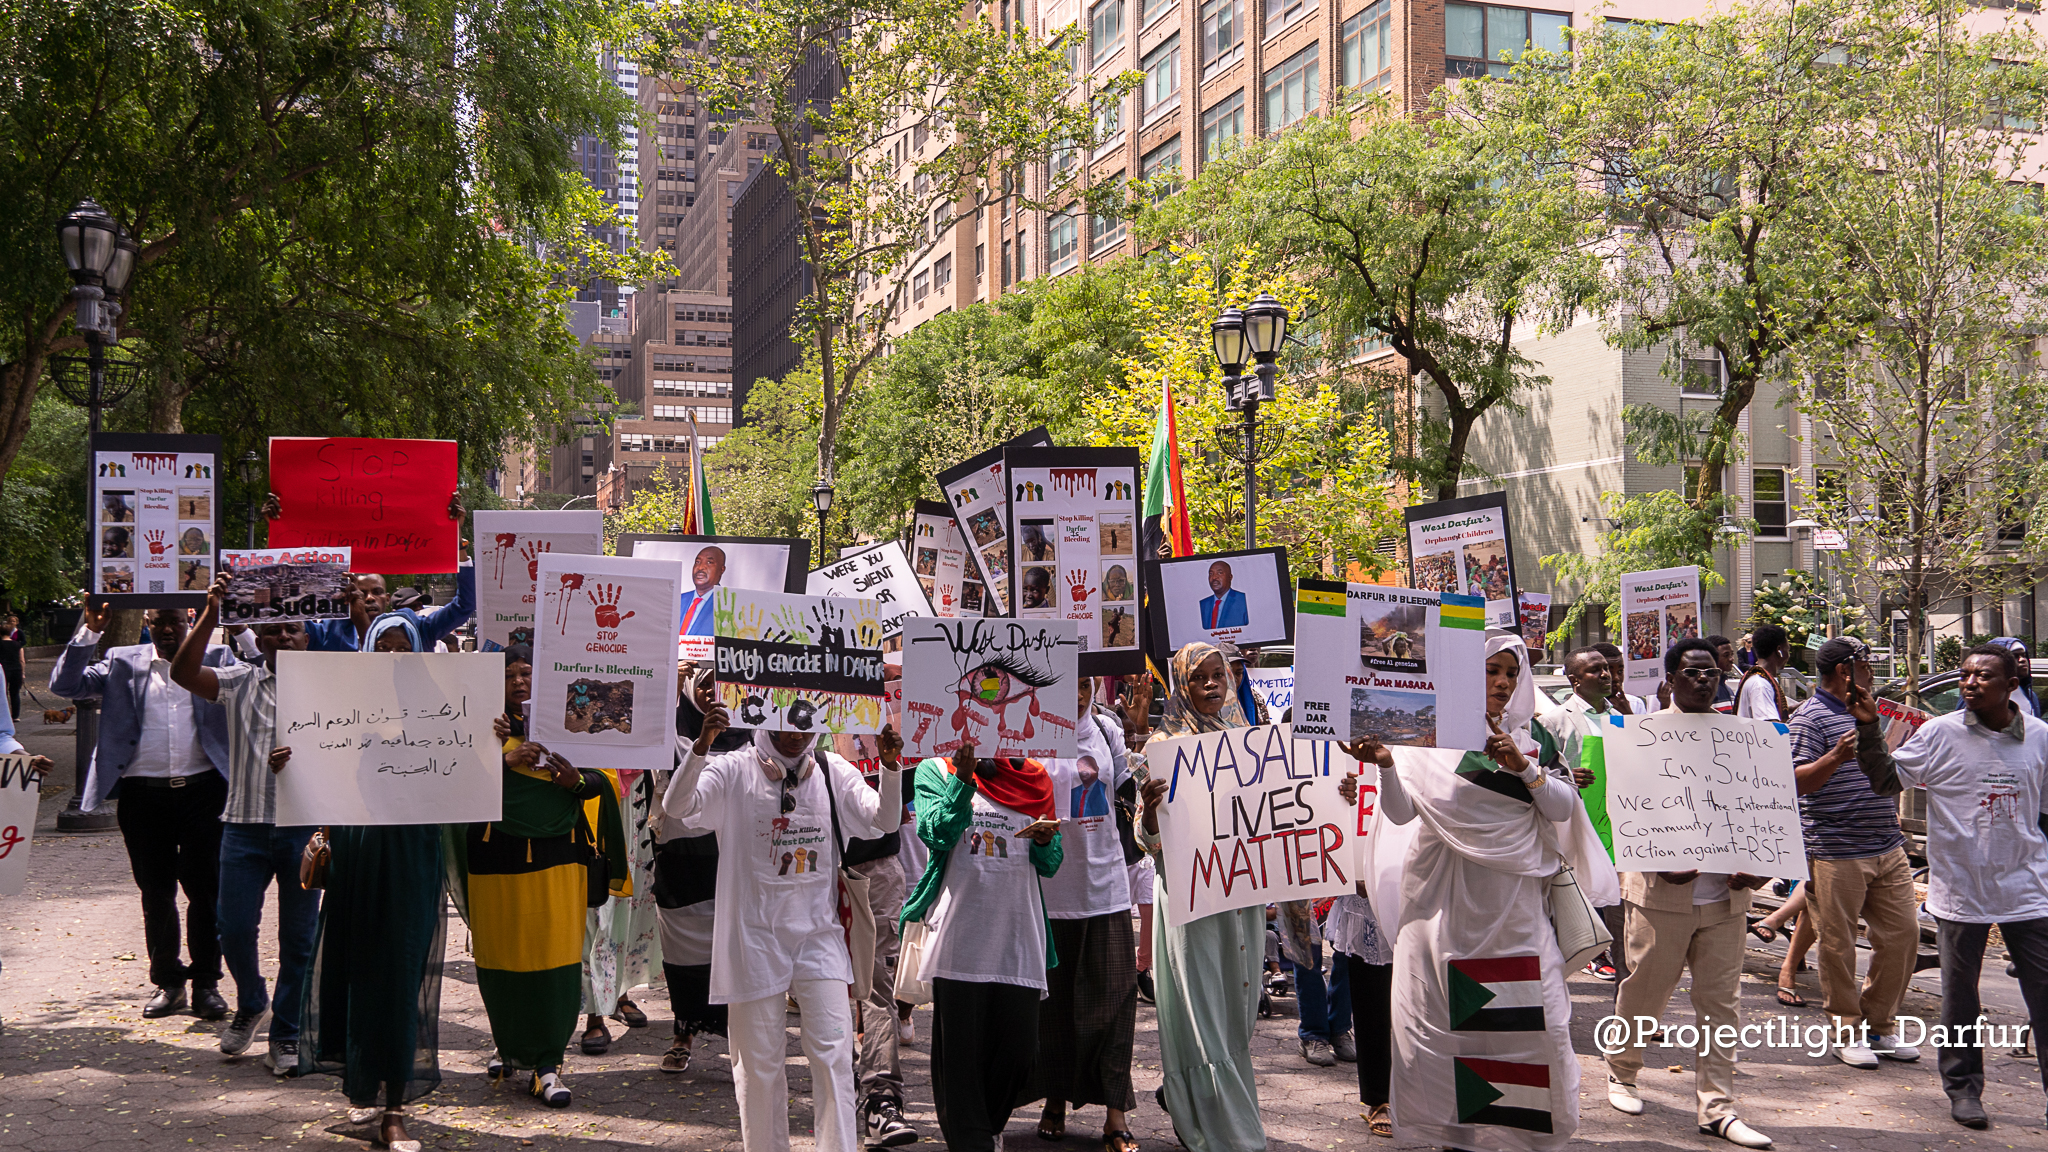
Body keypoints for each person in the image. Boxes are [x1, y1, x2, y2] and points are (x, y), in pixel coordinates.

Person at [1364, 632, 1613, 1152]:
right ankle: (1456, 1136)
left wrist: (1523, 769)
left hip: (1516, 915)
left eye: (1511, 673)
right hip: (1443, 912)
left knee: (1533, 1024)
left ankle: (1520, 1136)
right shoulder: (1423, 738)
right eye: (1491, 670)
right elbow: (1402, 812)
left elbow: (1564, 809)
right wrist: (1387, 765)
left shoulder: (1533, 738)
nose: (1502, 681)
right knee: (1447, 1030)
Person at [662, 699, 905, 1152]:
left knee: (834, 1055)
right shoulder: (732, 769)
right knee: (759, 1067)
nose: (796, 731)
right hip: (752, 941)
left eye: (805, 721)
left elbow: (883, 821)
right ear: (763, 715)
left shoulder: (833, 770)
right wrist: (700, 747)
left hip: (820, 940)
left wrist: (891, 770)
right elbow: (679, 807)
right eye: (784, 721)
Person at [1604, 637, 1773, 1149]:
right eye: (1693, 672)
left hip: (1726, 899)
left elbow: (1764, 809)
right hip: (1662, 896)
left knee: (1722, 1005)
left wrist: (1761, 864)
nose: (1704, 679)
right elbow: (1626, 811)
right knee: (1646, 993)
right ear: (1671, 679)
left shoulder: (1747, 738)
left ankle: (1717, 1108)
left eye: (1711, 673)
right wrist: (1659, 859)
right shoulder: (1640, 736)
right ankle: (1622, 1070)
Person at [300, 613, 452, 1152]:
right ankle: (363, 1093)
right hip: (356, 850)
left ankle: (394, 1110)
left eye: (401, 647)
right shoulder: (342, 708)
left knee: (399, 972)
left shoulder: (441, 711)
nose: (391, 655)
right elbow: (319, 771)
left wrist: (489, 740)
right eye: (381, 645)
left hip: (410, 854)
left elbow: (472, 781)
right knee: (354, 966)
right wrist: (288, 767)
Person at [52, 598, 239, 1021]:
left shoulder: (216, 657)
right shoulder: (121, 661)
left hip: (204, 792)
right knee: (156, 892)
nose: (167, 630)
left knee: (206, 892)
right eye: (159, 623)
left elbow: (262, 677)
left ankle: (206, 983)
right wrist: (90, 632)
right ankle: (168, 983)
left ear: (189, 619)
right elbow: (65, 686)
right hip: (142, 797)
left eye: (175, 621)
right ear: (147, 624)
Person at [1891, 643, 2048, 1132]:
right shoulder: (1939, 733)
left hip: (2027, 887)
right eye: (1964, 675)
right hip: (1961, 889)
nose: (1969, 682)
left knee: (2044, 993)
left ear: (2010, 686)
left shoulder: (2040, 736)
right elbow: (1883, 781)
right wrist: (1867, 731)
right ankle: (1963, 1088)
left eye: (1982, 675)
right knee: (1961, 996)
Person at [167, 574, 320, 1071]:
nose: (281, 637)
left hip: (303, 831)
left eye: (292, 629)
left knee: (299, 938)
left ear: (307, 636)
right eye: (272, 630)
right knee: (231, 928)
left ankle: (287, 1032)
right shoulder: (238, 680)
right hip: (244, 825)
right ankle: (252, 1002)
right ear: (258, 634)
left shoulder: (334, 689)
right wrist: (211, 612)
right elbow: (183, 674)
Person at [454, 643, 617, 1107]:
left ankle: (548, 1064)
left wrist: (576, 783)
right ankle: (509, 1046)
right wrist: (500, 757)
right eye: (510, 675)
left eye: (527, 673)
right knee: (501, 958)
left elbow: (603, 777)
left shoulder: (576, 715)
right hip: (494, 856)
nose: (520, 682)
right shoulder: (473, 723)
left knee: (554, 961)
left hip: (558, 857)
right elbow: (447, 779)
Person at [1133, 642, 1267, 1152]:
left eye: (1219, 676)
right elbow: (1148, 841)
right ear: (1182, 687)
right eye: (1199, 679)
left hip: (1243, 897)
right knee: (1202, 1009)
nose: (1212, 685)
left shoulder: (1250, 743)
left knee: (1241, 1008)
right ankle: (1226, 1130)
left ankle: (1192, 1095)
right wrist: (1149, 812)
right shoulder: (1162, 748)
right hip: (1191, 898)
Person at [902, 737, 1061, 1152]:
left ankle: (983, 1132)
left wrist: (1045, 841)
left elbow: (1050, 864)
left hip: (1019, 938)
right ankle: (970, 1140)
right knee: (960, 1059)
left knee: (1019, 1051)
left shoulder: (1033, 778)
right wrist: (964, 779)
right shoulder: (935, 771)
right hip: (960, 940)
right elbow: (935, 832)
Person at [1786, 637, 1919, 1068]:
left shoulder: (1870, 712)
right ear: (1846, 670)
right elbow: (1793, 782)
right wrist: (1836, 757)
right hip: (1835, 848)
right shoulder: (1808, 718)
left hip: (1885, 843)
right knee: (1838, 943)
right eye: (1866, 663)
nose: (1871, 671)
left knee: (1902, 936)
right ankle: (1846, 1028)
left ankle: (1880, 1026)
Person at [1025, 676, 1138, 1150]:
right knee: (1052, 1006)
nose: (1075, 692)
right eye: (1065, 680)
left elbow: (1129, 798)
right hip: (1050, 890)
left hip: (1106, 888)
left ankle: (1115, 1116)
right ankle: (1054, 1099)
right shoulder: (1029, 731)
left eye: (1084, 682)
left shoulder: (1108, 731)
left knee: (1116, 1000)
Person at [653, 665, 742, 1077]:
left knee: (734, 951)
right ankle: (682, 1033)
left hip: (733, 860)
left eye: (721, 685)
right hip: (681, 858)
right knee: (683, 957)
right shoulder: (673, 730)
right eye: (703, 684)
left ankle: (741, 1039)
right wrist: (669, 683)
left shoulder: (758, 740)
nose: (712, 693)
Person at [263, 492, 473, 653]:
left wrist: (457, 542)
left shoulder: (417, 628)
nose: (369, 598)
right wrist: (279, 536)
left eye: (377, 592)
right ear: (348, 596)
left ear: (388, 599)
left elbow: (465, 605)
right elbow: (285, 608)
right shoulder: (327, 633)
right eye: (361, 593)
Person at [1537, 646, 1628, 981]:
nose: (1605, 674)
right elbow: (1537, 774)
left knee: (1621, 914)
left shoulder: (1624, 716)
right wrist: (1565, 776)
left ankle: (1628, 999)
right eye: (1595, 670)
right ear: (1575, 680)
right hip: (1577, 826)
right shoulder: (1553, 722)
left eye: (1607, 668)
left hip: (1621, 826)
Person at [578, 756, 661, 1057]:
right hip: (590, 782)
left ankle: (620, 990)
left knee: (632, 894)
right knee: (597, 902)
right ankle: (595, 1013)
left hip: (634, 788)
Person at [1737, 625, 1791, 721]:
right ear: (1779, 651)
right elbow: (1770, 725)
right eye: (1788, 649)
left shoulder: (1758, 679)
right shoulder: (1760, 685)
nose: (1788, 655)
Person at [678, 546, 726, 638]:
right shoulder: (677, 600)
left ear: (722, 569)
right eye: (697, 562)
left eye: (709, 562)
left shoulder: (728, 606)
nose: (700, 567)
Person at [1589, 641, 1650, 713]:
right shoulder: (1579, 708)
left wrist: (1628, 714)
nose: (1616, 678)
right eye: (1609, 672)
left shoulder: (1635, 704)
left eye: (1620, 671)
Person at [1197, 561, 1249, 630]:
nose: (1214, 577)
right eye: (1211, 574)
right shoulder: (1203, 604)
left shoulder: (1243, 600)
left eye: (1220, 573)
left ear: (1230, 577)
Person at [0, 613, 23, 720]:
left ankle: (3, 715)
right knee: (15, 693)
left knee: (2, 693)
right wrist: (23, 673)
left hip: (3, 670)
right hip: (16, 670)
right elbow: (22, 660)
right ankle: (15, 716)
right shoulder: (18, 645)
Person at [1708, 634, 1738, 709]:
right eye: (1726, 655)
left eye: (1732, 654)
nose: (1731, 659)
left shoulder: (1728, 689)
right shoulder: (1707, 691)